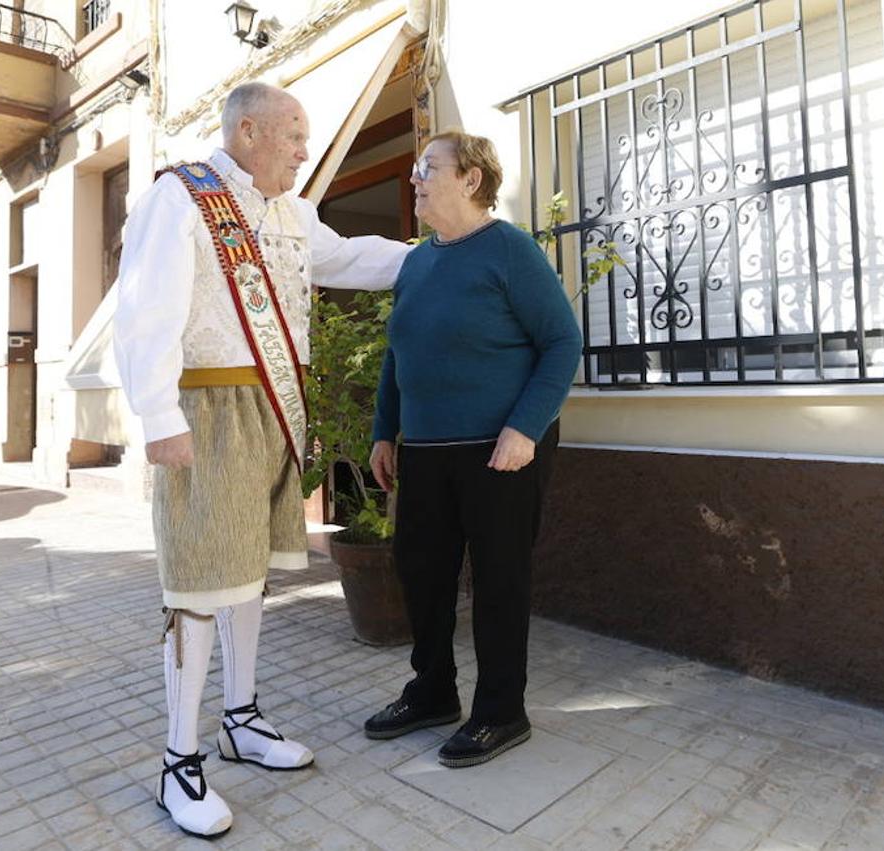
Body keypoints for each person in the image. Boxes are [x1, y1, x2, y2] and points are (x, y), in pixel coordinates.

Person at [113, 82, 409, 839]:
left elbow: (349, 258)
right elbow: (145, 308)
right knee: (200, 580)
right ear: (248, 131)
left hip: (277, 409)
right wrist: (158, 416)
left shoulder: (294, 212)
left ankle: (240, 719)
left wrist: (435, 251)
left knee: (248, 575)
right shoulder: (180, 198)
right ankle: (178, 761)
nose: (305, 151)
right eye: (294, 135)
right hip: (205, 414)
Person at [364, 131, 582, 767]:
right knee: (422, 574)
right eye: (414, 169)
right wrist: (385, 428)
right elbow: (397, 353)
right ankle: (432, 692)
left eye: (428, 168)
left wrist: (526, 428)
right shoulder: (417, 262)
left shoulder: (509, 250)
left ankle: (500, 712)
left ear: (471, 180)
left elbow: (562, 343)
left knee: (498, 582)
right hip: (427, 451)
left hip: (501, 448)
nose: (415, 179)